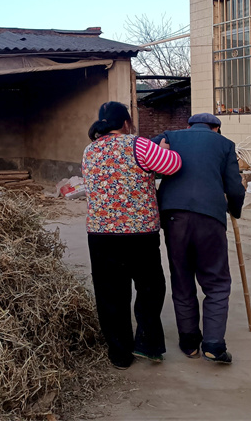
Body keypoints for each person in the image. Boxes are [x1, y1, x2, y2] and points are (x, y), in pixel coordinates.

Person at [82, 101, 182, 369]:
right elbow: (174, 165)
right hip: (139, 233)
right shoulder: (139, 145)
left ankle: (120, 354)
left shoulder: (89, 150)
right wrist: (164, 151)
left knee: (110, 294)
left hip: (101, 233)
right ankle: (147, 343)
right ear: (126, 122)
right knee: (151, 287)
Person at [153, 112, 245, 364]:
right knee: (216, 282)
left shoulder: (170, 137)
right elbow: (235, 187)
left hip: (174, 217)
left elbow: (143, 154)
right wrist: (234, 209)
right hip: (209, 218)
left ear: (189, 125)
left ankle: (189, 342)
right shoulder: (225, 144)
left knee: (182, 279)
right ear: (216, 128)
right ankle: (213, 345)